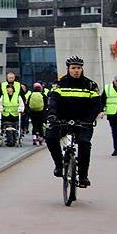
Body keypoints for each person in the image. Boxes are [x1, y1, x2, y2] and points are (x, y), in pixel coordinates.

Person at [45, 55, 102, 187]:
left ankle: (83, 175)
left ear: (82, 69)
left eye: (79, 68)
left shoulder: (90, 85)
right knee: (50, 137)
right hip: (62, 120)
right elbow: (53, 101)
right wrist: (53, 116)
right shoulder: (59, 84)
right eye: (73, 68)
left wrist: (89, 120)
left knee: (84, 143)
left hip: (83, 122)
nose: (76, 70)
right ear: (68, 69)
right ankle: (59, 165)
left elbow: (96, 105)